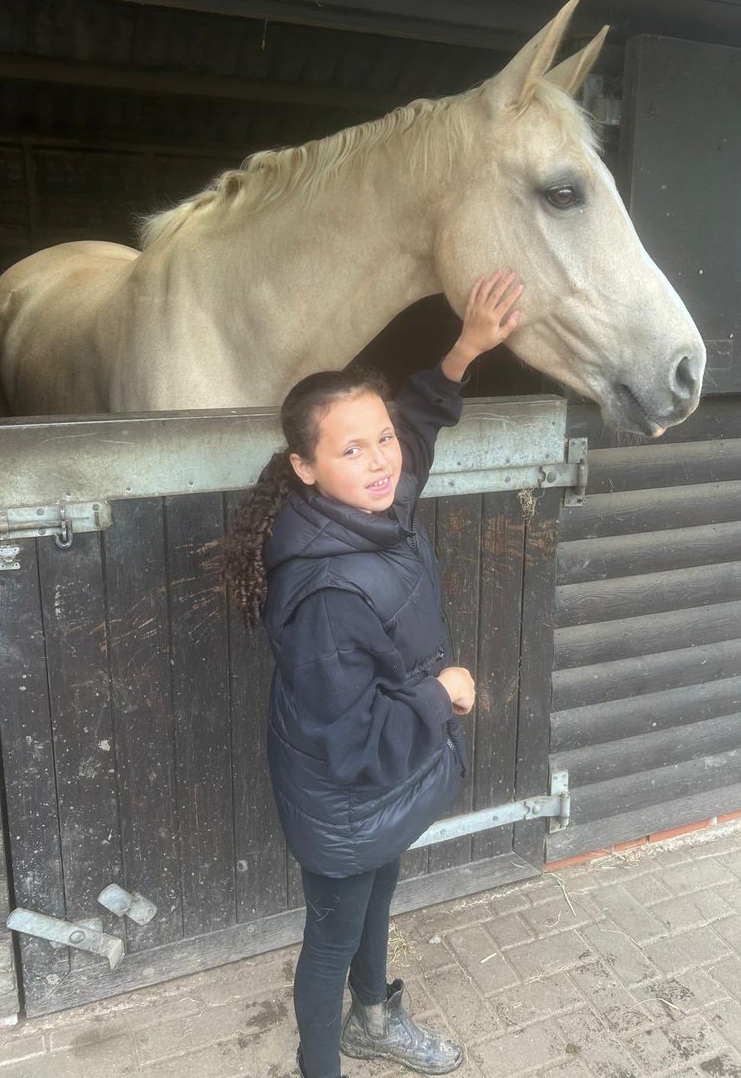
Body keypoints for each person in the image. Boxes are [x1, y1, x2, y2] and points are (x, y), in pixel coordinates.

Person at [221, 272, 524, 1078]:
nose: (380, 458)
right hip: (348, 789)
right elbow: (349, 733)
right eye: (350, 448)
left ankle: (375, 1019)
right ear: (305, 467)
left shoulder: (375, 504)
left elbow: (417, 429)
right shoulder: (326, 590)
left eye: (379, 437)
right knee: (332, 934)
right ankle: (324, 1063)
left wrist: (463, 350)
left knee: (378, 896)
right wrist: (445, 693)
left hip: (385, 782)